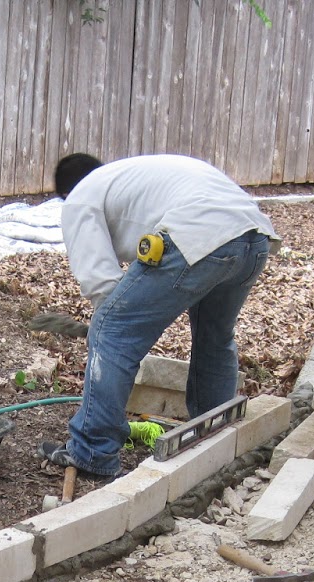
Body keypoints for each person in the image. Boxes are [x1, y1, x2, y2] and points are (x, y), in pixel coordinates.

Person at [40, 153, 275, 480]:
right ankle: (216, 439)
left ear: (66, 192)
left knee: (111, 331)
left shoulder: (80, 197)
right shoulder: (131, 176)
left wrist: (108, 327)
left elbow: (100, 281)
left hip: (198, 231)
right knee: (214, 338)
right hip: (254, 236)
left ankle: (93, 450)